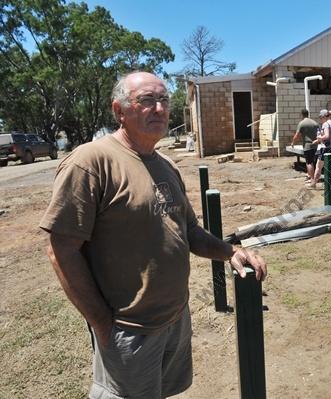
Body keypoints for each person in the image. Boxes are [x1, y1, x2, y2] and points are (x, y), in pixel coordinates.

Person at [39, 71, 267, 399]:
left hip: (175, 318)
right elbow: (61, 249)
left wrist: (229, 252)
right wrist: (102, 322)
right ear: (119, 111)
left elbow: (188, 231)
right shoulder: (91, 162)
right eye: (147, 100)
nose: (159, 108)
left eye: (163, 100)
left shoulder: (165, 165)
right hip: (128, 329)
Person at [309, 109, 331, 189]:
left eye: (320, 117)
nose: (320, 119)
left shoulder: (325, 124)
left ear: (324, 116)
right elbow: (330, 136)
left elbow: (327, 136)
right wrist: (317, 140)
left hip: (326, 149)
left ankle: (313, 184)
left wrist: (319, 137)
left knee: (318, 167)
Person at [291, 108, 319, 183]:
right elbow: (319, 133)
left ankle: (312, 179)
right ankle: (310, 176)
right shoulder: (314, 123)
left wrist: (293, 143)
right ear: (308, 114)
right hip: (315, 145)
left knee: (309, 162)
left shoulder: (302, 123)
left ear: (301, 114)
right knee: (312, 161)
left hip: (307, 146)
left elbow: (297, 135)